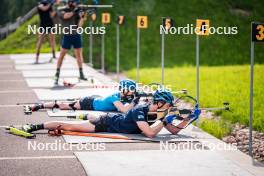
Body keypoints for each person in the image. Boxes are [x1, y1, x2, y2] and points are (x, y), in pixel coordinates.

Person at [21, 89, 198, 138]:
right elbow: (151, 133)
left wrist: (188, 119)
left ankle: (86, 115)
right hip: (105, 123)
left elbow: (174, 131)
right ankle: (33, 126)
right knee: (68, 126)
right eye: (167, 104)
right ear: (159, 103)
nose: (169, 107)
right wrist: (166, 119)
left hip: (113, 120)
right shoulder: (139, 111)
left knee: (86, 117)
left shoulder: (159, 113)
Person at [25, 79, 140, 113]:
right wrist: (135, 101)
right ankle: (39, 106)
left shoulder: (124, 97)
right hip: (89, 103)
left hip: (95, 101)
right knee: (64, 106)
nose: (132, 93)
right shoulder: (115, 98)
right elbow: (124, 110)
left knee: (65, 105)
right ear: (123, 90)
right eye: (131, 90)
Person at [54, 0, 87, 85]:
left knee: (79, 55)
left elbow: (79, 26)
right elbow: (65, 16)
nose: (75, 4)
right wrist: (74, 11)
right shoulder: (61, 9)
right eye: (74, 2)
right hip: (67, 35)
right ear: (70, 2)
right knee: (62, 55)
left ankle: (81, 73)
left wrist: (82, 17)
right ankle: (57, 74)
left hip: (76, 34)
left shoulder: (77, 11)